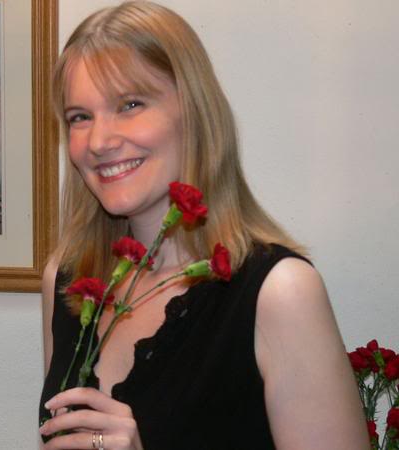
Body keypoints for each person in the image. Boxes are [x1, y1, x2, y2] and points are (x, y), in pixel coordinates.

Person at [38, 1, 369, 449]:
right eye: (80, 117)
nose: (99, 141)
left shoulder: (280, 292)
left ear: (195, 112)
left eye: (130, 104)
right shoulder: (67, 280)